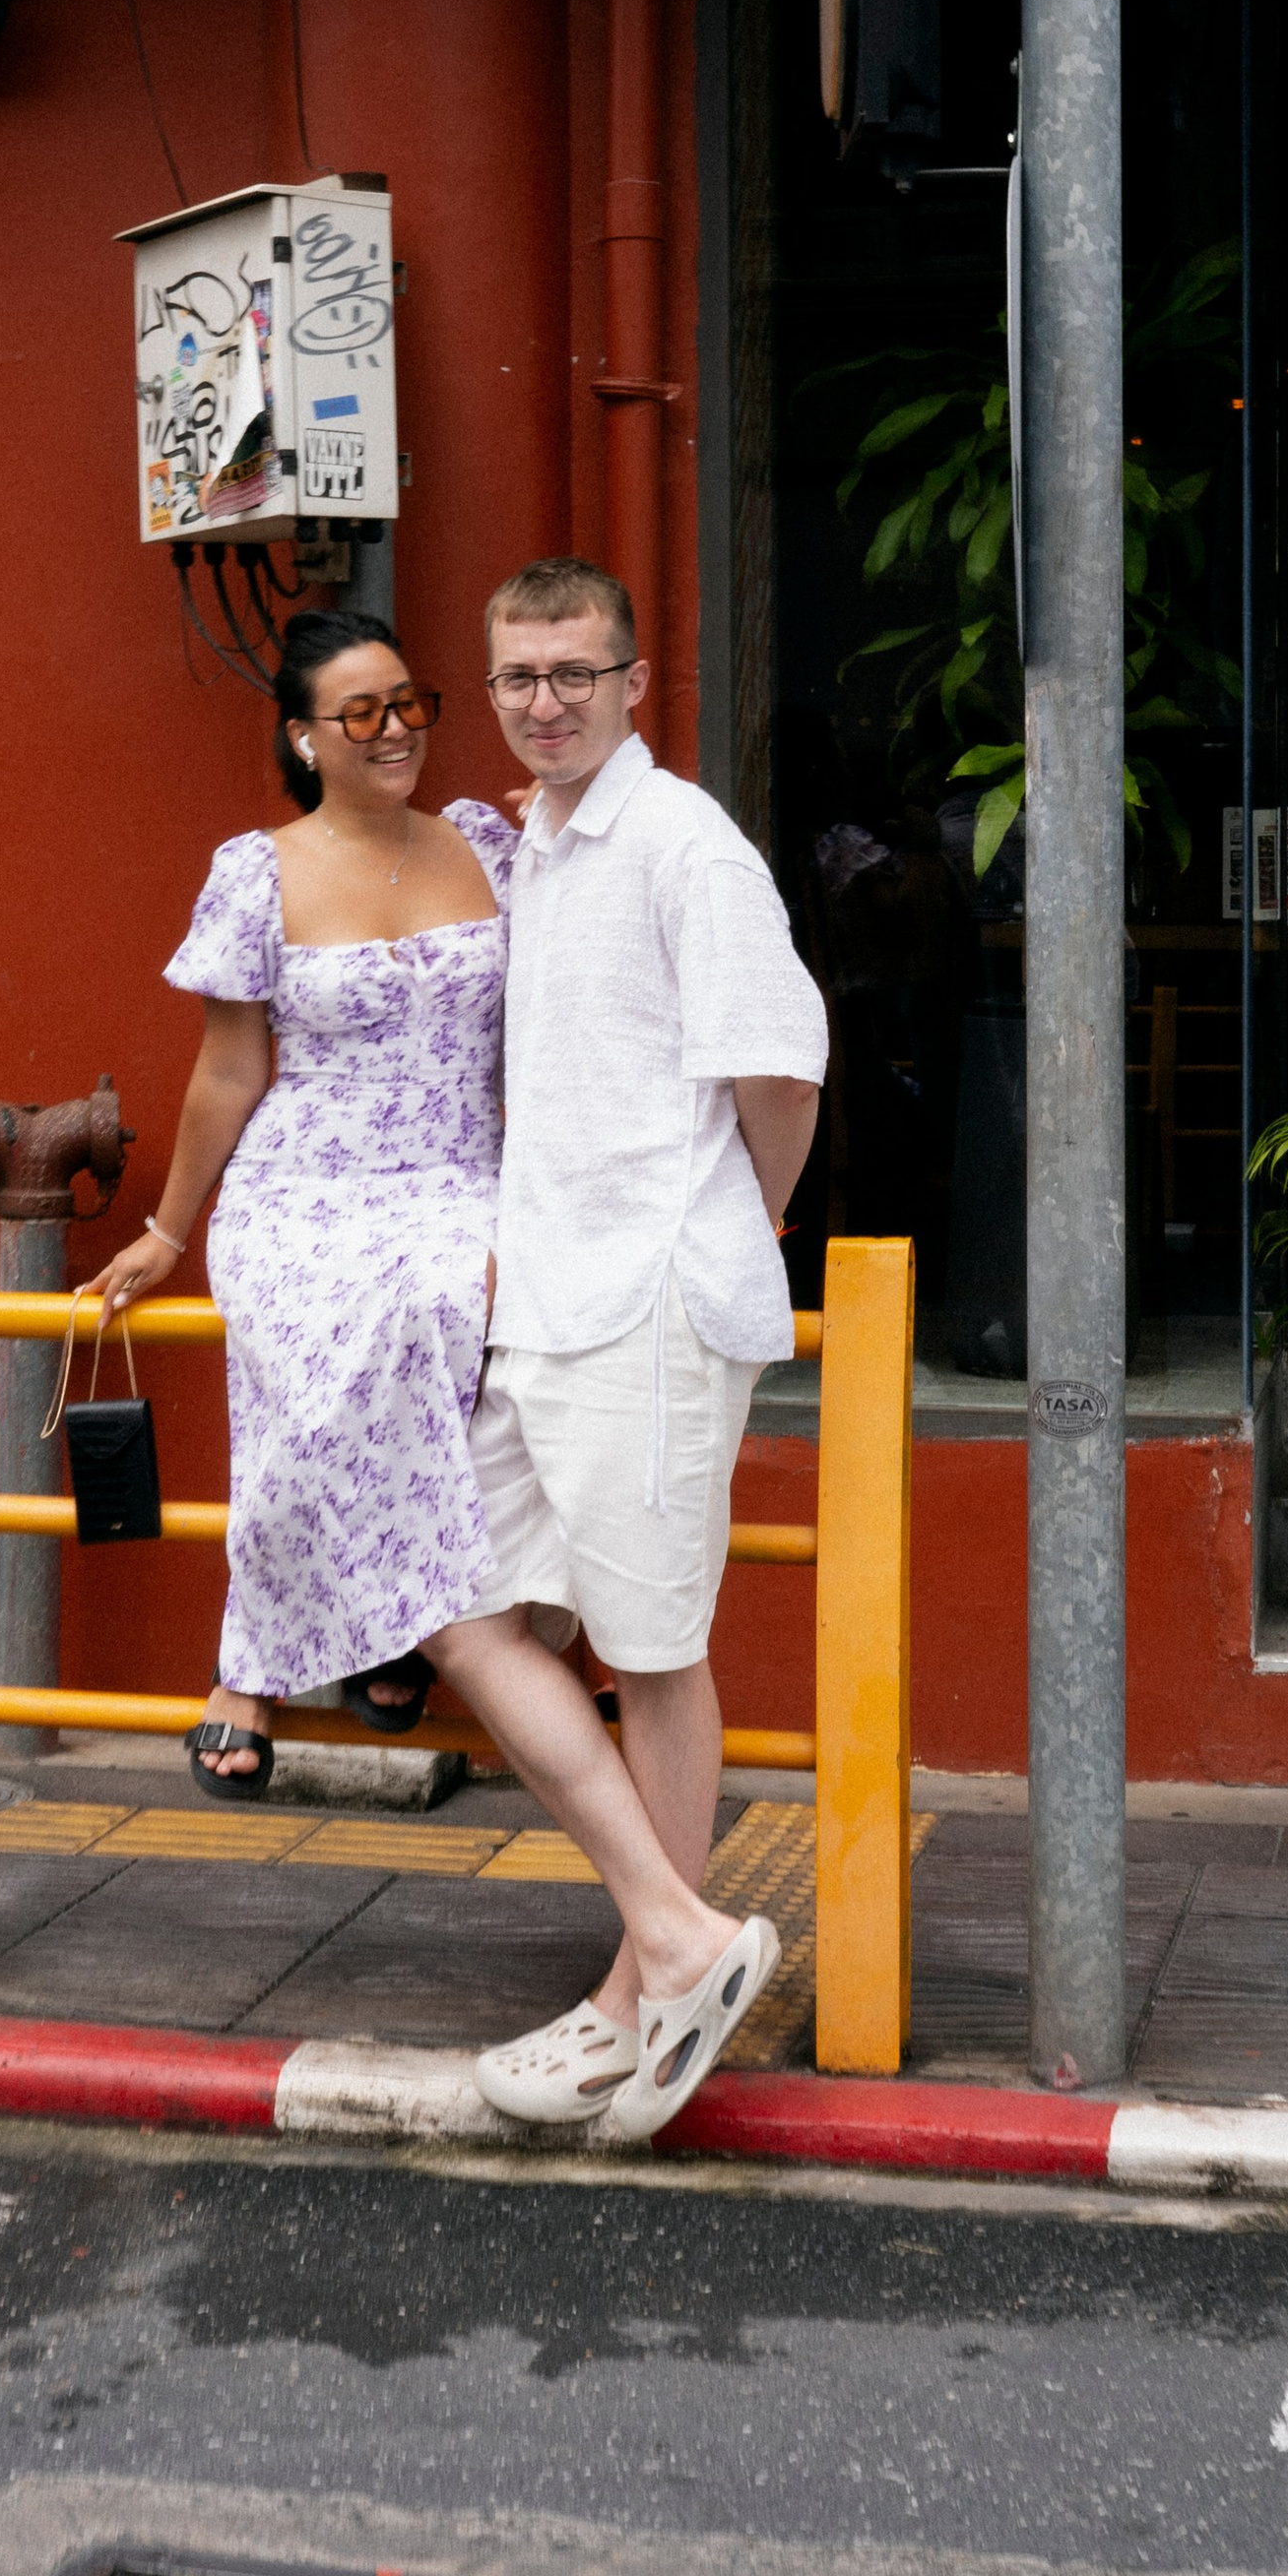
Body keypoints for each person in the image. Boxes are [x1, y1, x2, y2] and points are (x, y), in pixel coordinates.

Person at [419, 555, 828, 2143]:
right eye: (520, 677)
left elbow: (779, 1074)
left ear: (636, 682)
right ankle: (675, 1942)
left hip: (649, 1295)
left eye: (576, 674)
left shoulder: (682, 846)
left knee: (652, 1652)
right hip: (548, 1303)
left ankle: (639, 1993)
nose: (545, 702)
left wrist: (733, 1231)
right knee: (458, 1605)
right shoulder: (533, 843)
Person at [82, 609, 517, 1797]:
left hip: (456, 1176)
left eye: (410, 704)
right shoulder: (256, 869)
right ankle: (255, 1662)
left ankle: (395, 1628)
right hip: (298, 1185)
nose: (393, 731)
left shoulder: (491, 843)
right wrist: (169, 1230)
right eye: (360, 713)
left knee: (443, 1310)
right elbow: (230, 1067)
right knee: (305, 1368)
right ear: (303, 737)